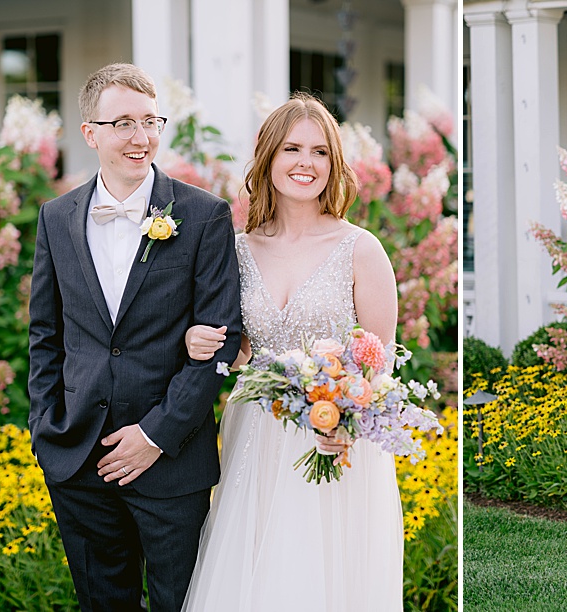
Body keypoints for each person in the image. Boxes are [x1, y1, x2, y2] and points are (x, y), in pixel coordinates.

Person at [27, 63, 242, 611]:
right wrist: (46, 430)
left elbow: (221, 339)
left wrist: (156, 434)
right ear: (90, 133)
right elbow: (45, 336)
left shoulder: (203, 216)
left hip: (172, 461)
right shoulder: (56, 217)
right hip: (79, 461)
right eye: (122, 123)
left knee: (181, 603)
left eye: (150, 120)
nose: (140, 138)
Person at [181, 92, 404, 611]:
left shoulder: (360, 248)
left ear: (335, 163)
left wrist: (343, 424)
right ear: (267, 158)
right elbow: (236, 350)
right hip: (254, 434)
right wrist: (197, 341)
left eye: (320, 152)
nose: (306, 163)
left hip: (333, 440)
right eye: (292, 149)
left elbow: (382, 359)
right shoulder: (236, 248)